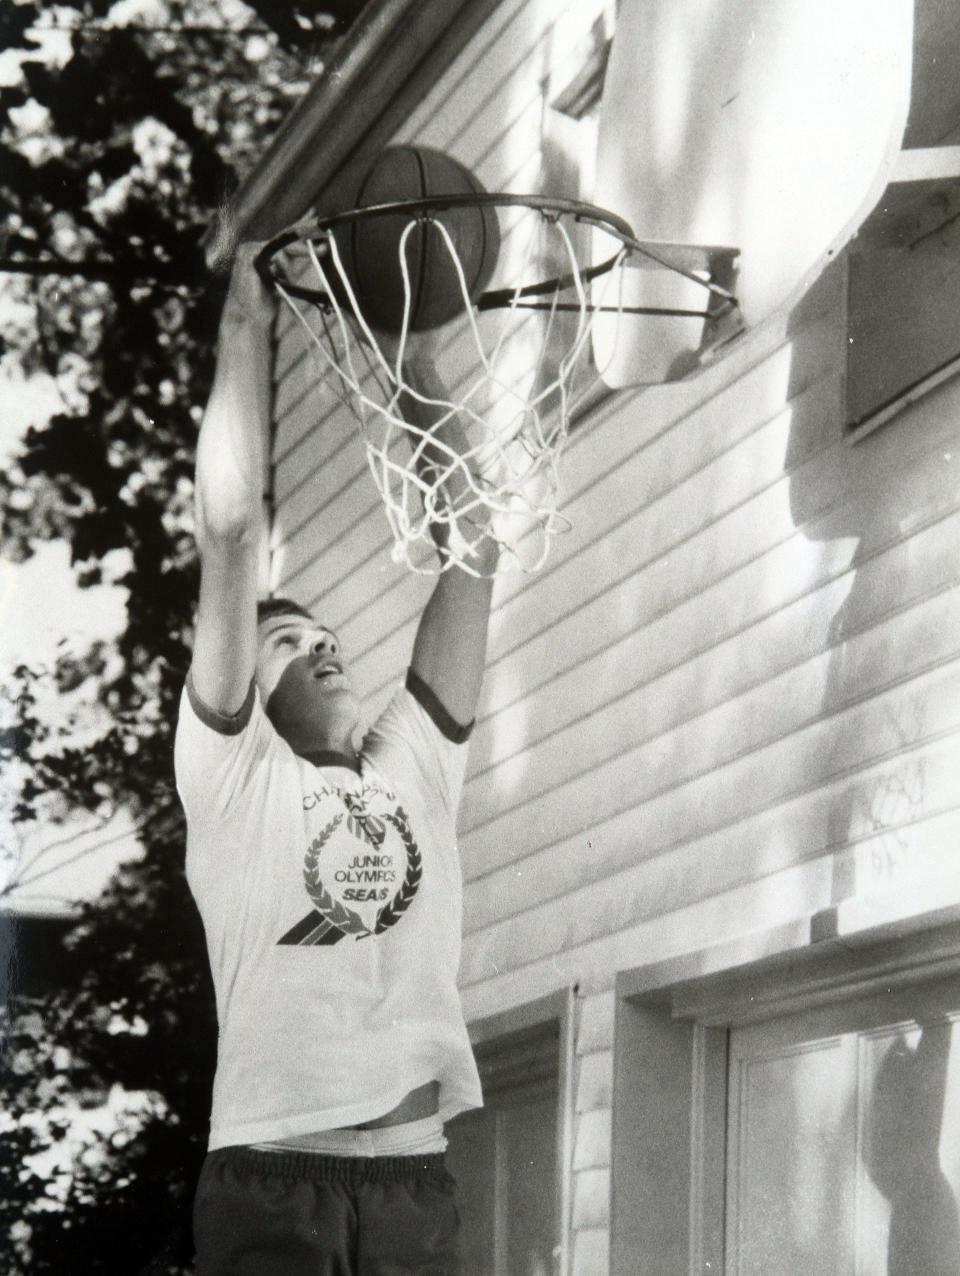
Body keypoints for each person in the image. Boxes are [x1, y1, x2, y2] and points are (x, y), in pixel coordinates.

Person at [174, 243, 498, 1275]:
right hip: (277, 1168)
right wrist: (242, 337)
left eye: (328, 637)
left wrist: (411, 349)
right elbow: (228, 535)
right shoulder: (235, 782)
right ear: (249, 695)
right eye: (289, 642)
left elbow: (476, 547)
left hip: (411, 1172)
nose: (324, 645)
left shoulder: (413, 763)